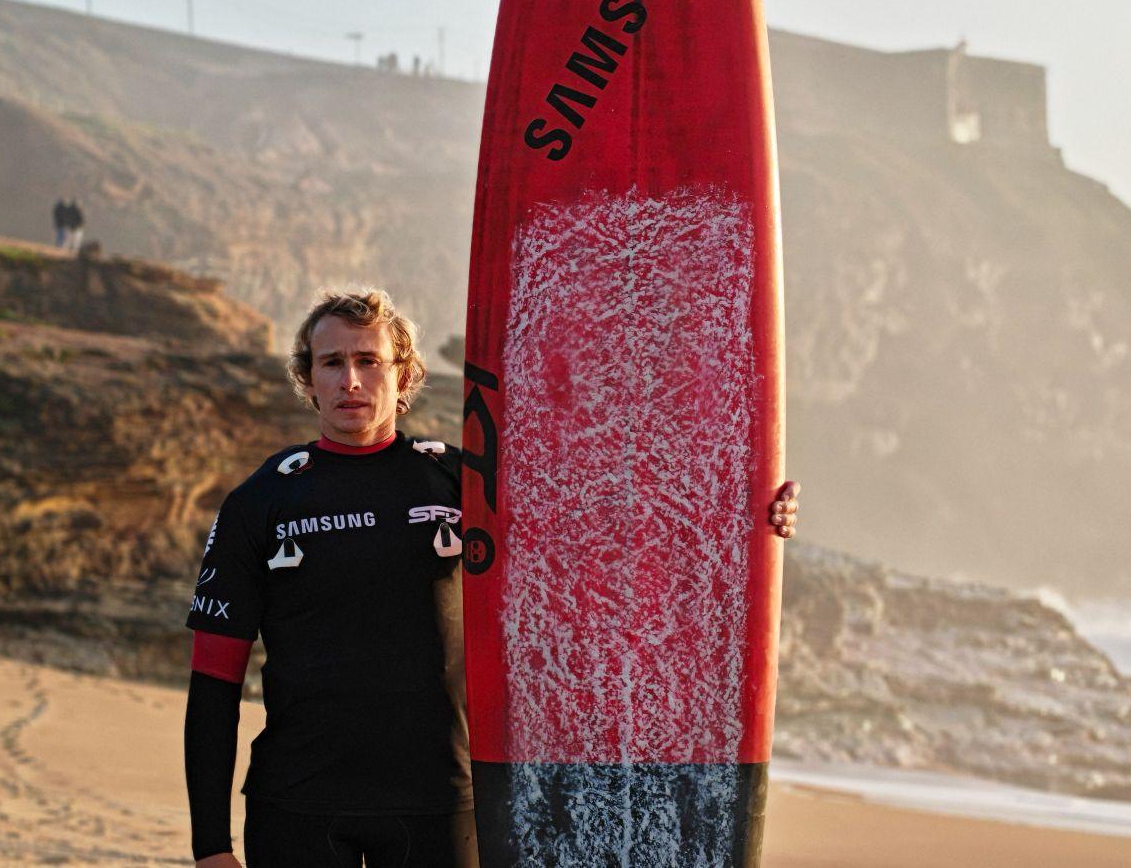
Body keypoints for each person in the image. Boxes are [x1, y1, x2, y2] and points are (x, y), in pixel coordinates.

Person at [183, 288, 800, 868]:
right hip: (296, 804)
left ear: (403, 376)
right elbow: (214, 680)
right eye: (332, 362)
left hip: (442, 802)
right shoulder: (260, 502)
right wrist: (209, 843)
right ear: (307, 379)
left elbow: (608, 534)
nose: (351, 380)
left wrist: (749, 513)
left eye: (370, 360)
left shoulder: (465, 484)